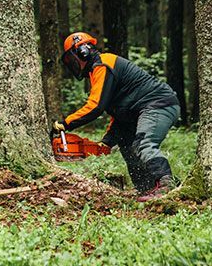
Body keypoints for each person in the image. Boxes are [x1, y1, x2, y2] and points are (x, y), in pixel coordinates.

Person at [53, 32, 180, 201]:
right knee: (127, 144)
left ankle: (166, 184)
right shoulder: (97, 71)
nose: (73, 64)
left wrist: (67, 123)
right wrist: (106, 142)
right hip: (139, 110)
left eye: (71, 59)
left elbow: (96, 106)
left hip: (158, 104)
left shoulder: (104, 64)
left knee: (144, 142)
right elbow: (119, 115)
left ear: (83, 51)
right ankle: (147, 188)